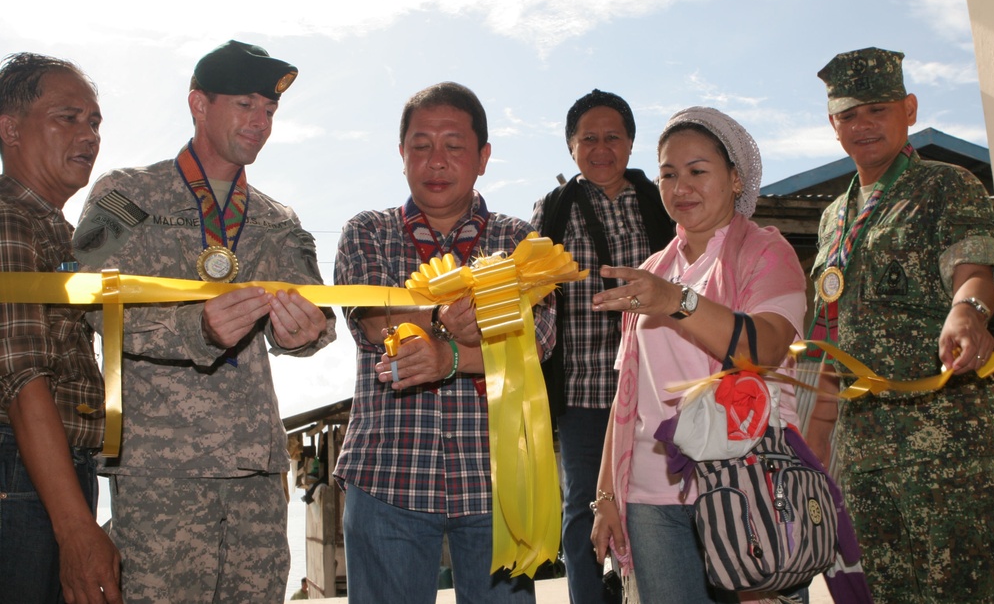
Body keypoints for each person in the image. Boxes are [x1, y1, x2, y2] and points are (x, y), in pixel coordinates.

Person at [72, 40, 335, 603]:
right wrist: (195, 330)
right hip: (159, 470)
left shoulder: (276, 220)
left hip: (256, 471)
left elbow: (320, 314)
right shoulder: (126, 195)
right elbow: (89, 303)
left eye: (270, 111)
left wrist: (306, 333)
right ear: (198, 103)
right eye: (245, 105)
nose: (261, 122)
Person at [333, 81, 556, 604]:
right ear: (402, 153)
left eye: (454, 145)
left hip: (500, 486)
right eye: (421, 145)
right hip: (386, 475)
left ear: (482, 157)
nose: (436, 160)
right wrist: (449, 318)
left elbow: (538, 341)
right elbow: (369, 316)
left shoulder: (520, 242)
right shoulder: (367, 231)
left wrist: (449, 357)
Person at [589, 107, 807, 603]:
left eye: (697, 171)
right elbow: (628, 395)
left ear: (735, 179)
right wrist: (605, 496)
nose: (680, 186)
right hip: (651, 496)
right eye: (668, 173)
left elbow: (767, 346)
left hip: (746, 484)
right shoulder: (653, 268)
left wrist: (676, 302)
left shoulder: (765, 253)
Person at [807, 47, 994, 603]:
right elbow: (827, 335)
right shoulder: (831, 216)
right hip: (865, 448)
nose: (862, 125)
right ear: (833, 125)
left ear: (909, 109)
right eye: (848, 114)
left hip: (947, 443)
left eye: (877, 109)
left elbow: (974, 271)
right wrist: (820, 436)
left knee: (962, 591)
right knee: (888, 592)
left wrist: (970, 310)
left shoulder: (947, 185)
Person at [530, 88, 672, 604]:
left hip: (659, 385)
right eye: (588, 137)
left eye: (613, 136)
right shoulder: (552, 209)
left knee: (662, 503)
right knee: (583, 508)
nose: (601, 147)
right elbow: (534, 294)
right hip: (584, 389)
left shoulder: (662, 200)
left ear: (632, 143)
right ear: (571, 147)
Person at [0, 53, 122, 604]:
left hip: (52, 475)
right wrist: (76, 528)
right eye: (68, 117)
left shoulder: (58, 231)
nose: (88, 135)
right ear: (10, 128)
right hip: (21, 476)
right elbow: (22, 379)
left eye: (94, 121)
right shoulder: (8, 217)